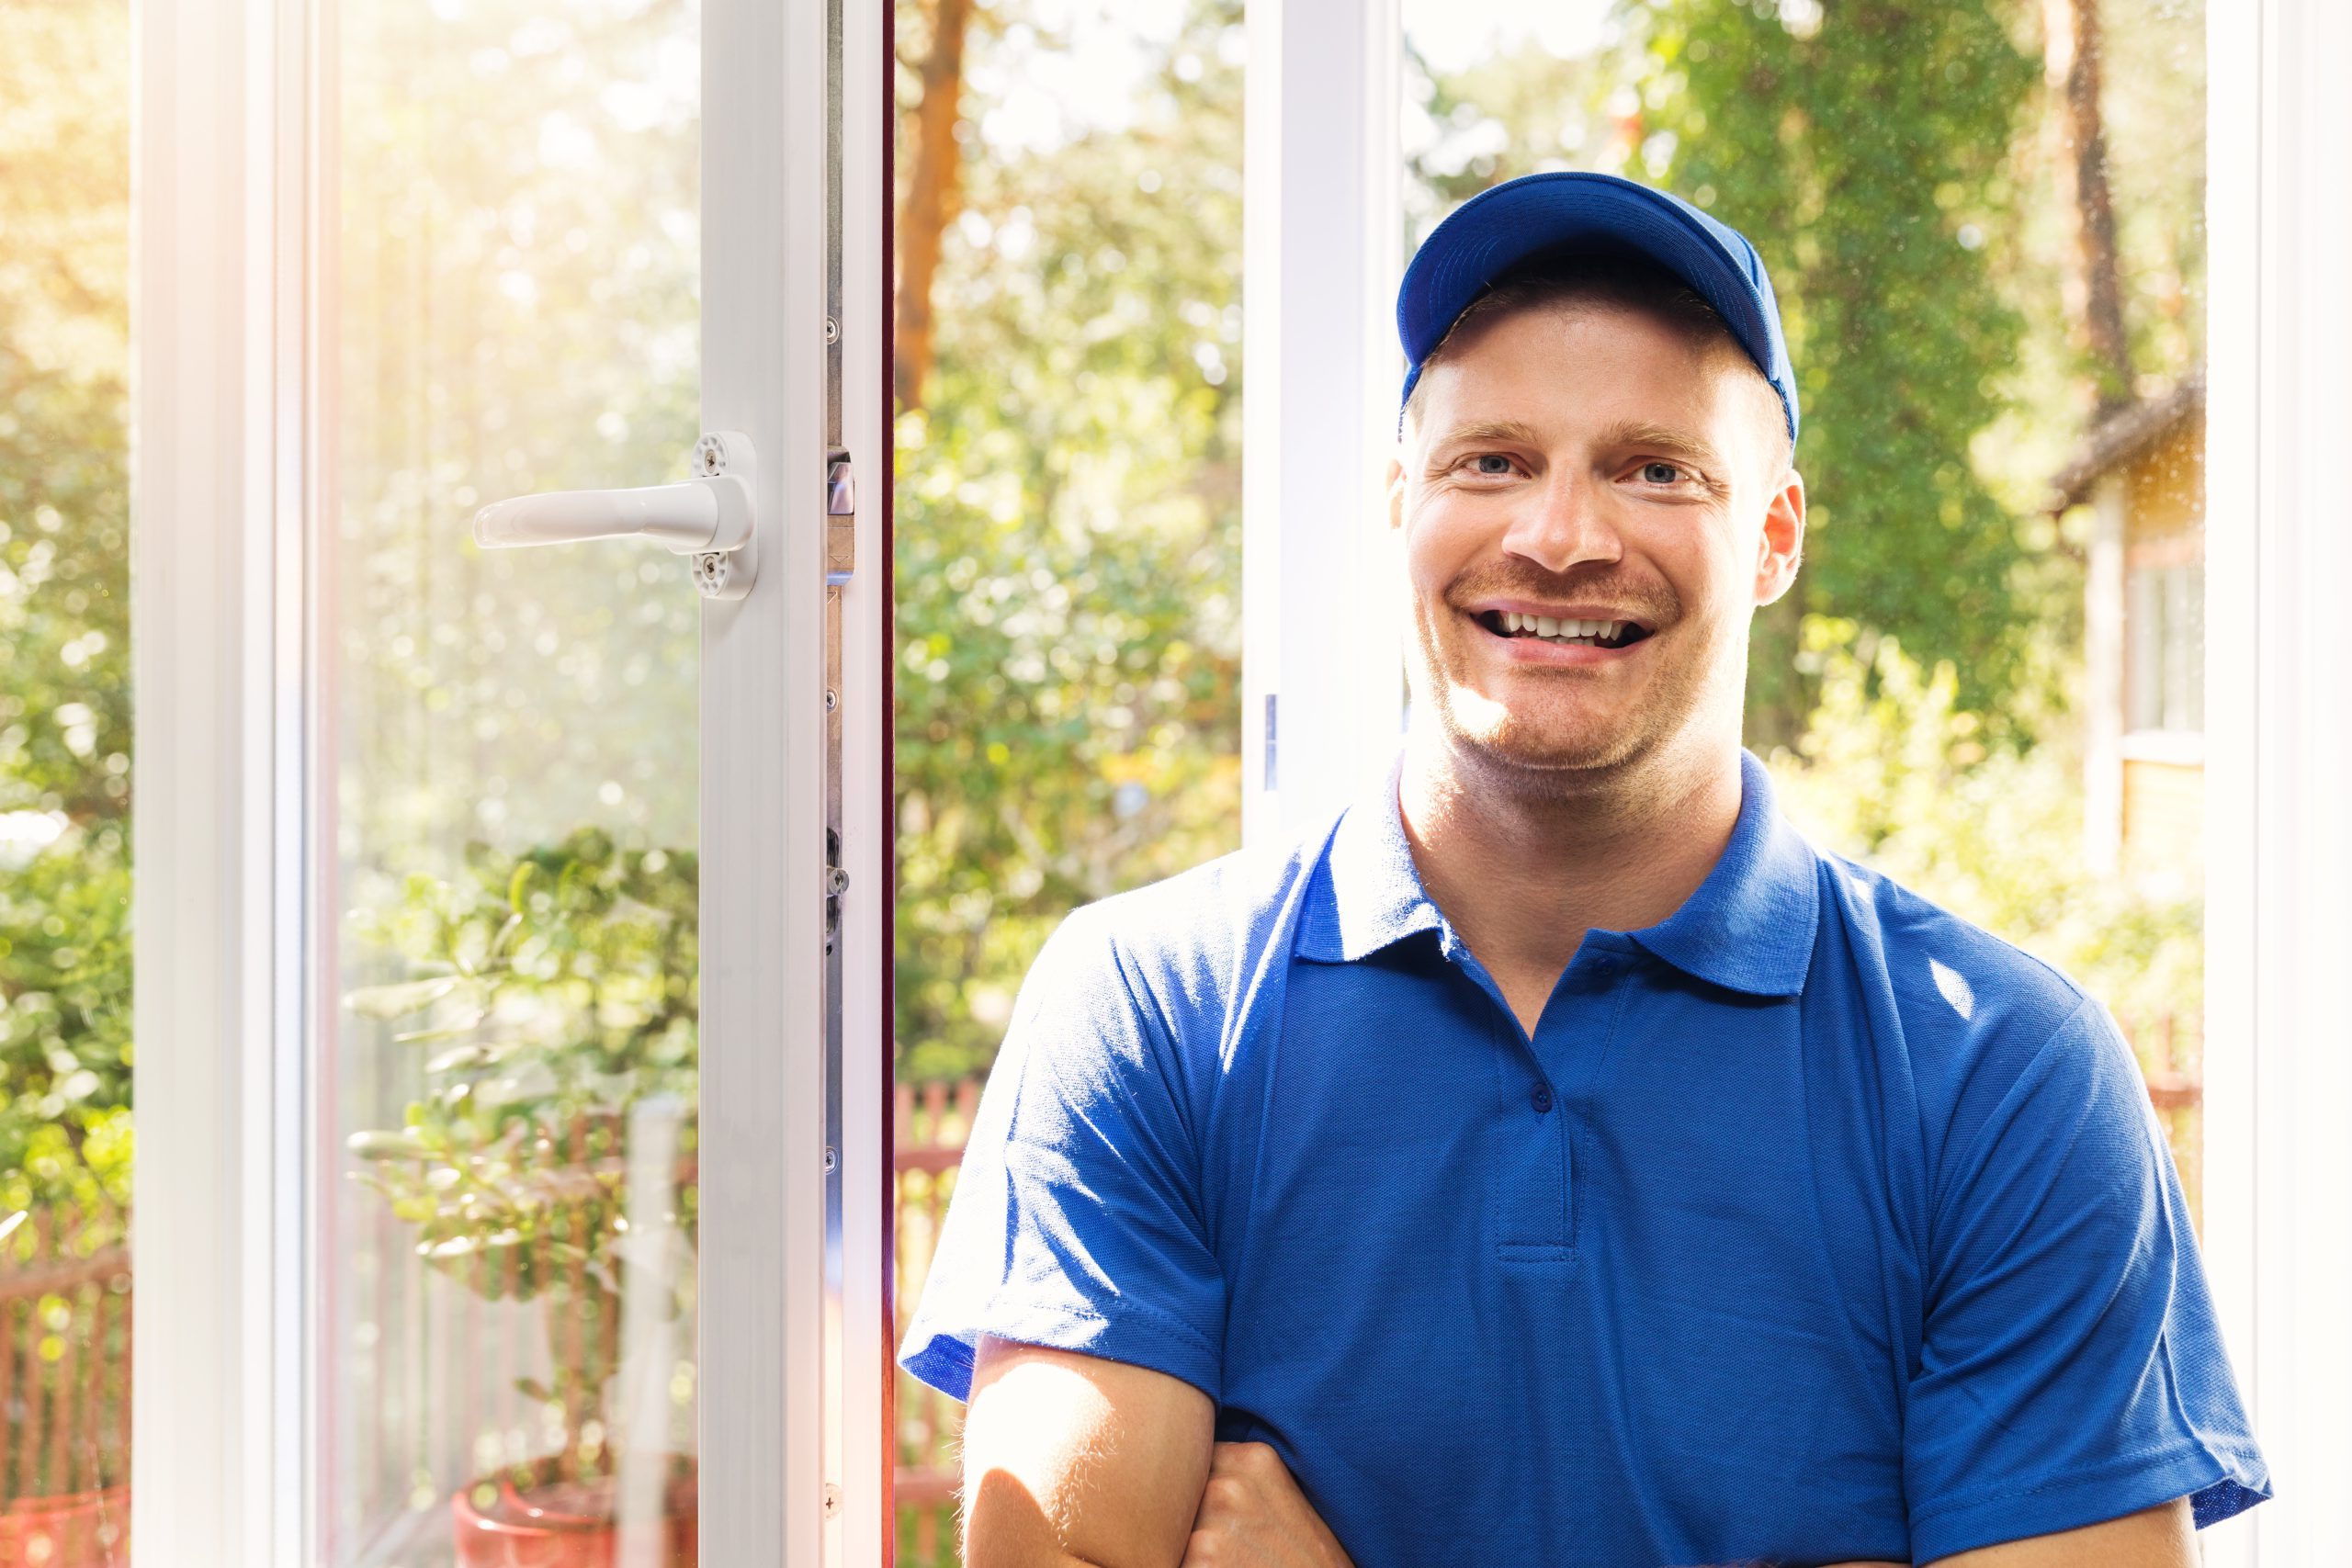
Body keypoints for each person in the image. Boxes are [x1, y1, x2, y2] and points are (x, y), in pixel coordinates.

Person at [897, 171, 2267, 1567]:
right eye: (1490, 460)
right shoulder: (1150, 1008)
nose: (1558, 540)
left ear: (1774, 534)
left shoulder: (2004, 1074)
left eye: (1654, 469)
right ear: (1398, 501)